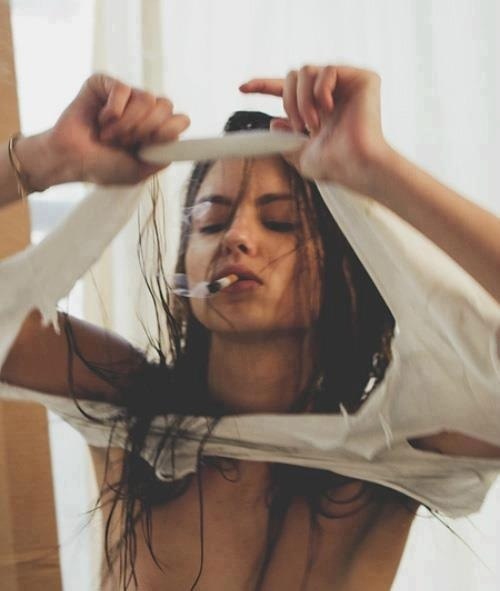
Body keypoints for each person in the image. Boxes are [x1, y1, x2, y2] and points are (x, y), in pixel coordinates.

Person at [0, 65, 499, 591]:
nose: (236, 237)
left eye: (281, 222)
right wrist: (40, 160)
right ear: (183, 270)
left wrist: (379, 168)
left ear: (346, 271)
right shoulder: (124, 407)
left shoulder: (399, 445)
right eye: (211, 222)